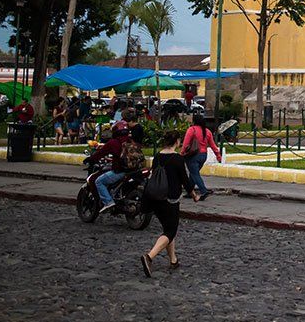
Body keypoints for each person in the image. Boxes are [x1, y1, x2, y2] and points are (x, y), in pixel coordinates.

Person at [140, 130, 196, 277]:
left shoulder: (157, 156)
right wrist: (194, 195)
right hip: (170, 199)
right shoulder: (178, 159)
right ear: (177, 141)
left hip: (155, 197)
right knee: (170, 231)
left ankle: (173, 260)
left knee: (168, 229)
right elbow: (185, 180)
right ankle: (149, 256)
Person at [87, 121, 139, 214]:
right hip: (134, 170)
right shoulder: (131, 141)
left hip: (120, 171)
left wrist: (90, 159)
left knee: (99, 182)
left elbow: (100, 153)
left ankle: (108, 202)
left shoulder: (113, 142)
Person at [181, 114, 220, 201]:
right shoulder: (207, 131)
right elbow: (213, 145)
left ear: (194, 121)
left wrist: (182, 153)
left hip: (193, 155)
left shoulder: (192, 130)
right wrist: (218, 155)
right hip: (203, 155)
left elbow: (186, 143)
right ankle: (190, 192)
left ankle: (203, 190)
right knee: (193, 173)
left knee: (194, 174)